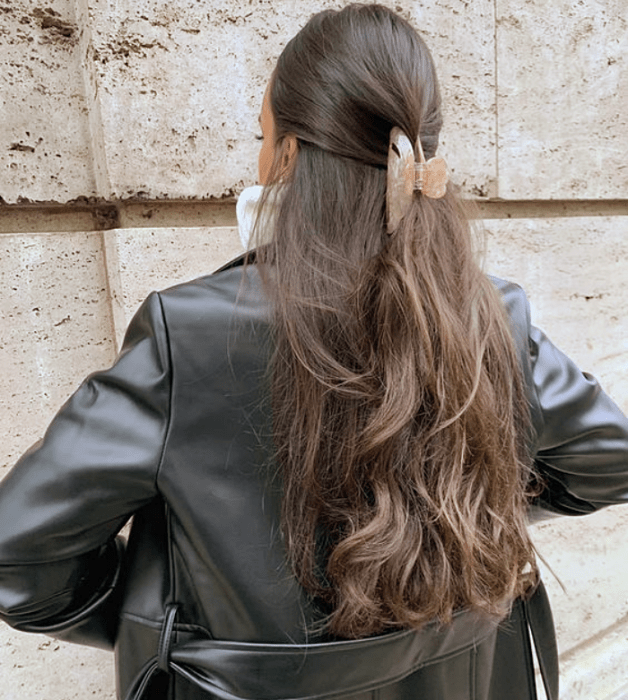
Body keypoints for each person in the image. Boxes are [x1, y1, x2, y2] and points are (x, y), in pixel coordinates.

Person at [0, 4, 627, 699]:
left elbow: (19, 556)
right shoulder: (490, 316)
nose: (259, 158)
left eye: (262, 137)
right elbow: (609, 463)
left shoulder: (186, 335)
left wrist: (160, 615)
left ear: (290, 156)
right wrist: (467, 512)